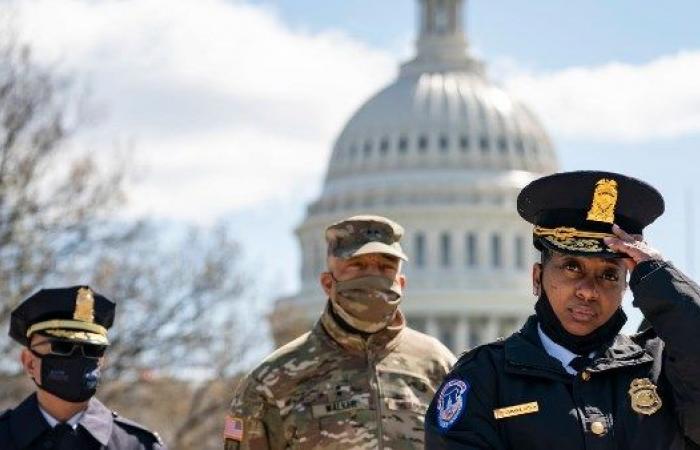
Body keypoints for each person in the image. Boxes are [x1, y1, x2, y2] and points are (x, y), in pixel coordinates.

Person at [425, 171, 700, 449]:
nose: (588, 290)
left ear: (626, 287)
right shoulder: (485, 377)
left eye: (608, 275)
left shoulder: (662, 368)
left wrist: (659, 276)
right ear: (537, 278)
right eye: (572, 267)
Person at [225, 215, 456, 449]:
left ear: (401, 283)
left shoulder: (439, 367)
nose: (372, 278)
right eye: (357, 266)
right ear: (327, 283)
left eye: (386, 268)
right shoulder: (272, 382)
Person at [0, 285, 167, 450]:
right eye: (62, 347)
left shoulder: (137, 446)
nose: (79, 358)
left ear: (101, 360)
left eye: (92, 349)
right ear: (29, 362)